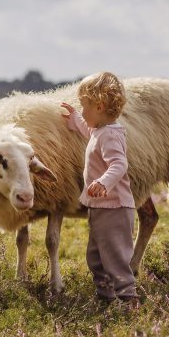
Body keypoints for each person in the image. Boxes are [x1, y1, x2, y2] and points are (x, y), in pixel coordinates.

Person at [60, 72, 138, 306]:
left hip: (114, 207)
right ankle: (105, 298)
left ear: (100, 106)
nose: (82, 111)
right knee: (95, 258)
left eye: (84, 107)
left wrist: (104, 182)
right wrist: (75, 120)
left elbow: (119, 164)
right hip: (102, 207)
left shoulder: (111, 135)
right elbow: (90, 132)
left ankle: (128, 300)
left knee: (115, 259)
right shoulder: (101, 130)